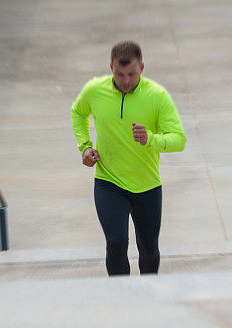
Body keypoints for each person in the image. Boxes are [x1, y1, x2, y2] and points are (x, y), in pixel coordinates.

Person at [71, 40, 186, 276]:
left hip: (147, 185)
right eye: (119, 74)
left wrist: (151, 139)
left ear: (142, 68)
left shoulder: (157, 95)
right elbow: (78, 112)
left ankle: (149, 293)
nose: (125, 81)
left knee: (149, 248)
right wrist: (85, 146)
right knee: (116, 243)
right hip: (109, 182)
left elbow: (179, 139)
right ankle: (122, 299)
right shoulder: (95, 90)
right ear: (110, 66)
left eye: (131, 74)